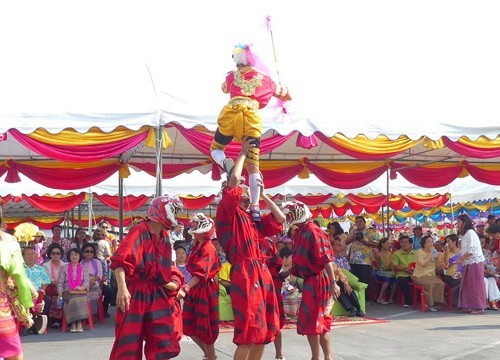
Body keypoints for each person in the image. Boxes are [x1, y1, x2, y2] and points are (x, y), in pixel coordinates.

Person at [215, 138, 284, 360]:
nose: (244, 186)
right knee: (248, 331)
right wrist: (243, 153)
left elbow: (280, 218)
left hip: (261, 271)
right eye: (241, 189)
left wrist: (262, 195)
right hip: (245, 272)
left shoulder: (251, 218)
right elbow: (235, 177)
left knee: (263, 332)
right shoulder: (227, 214)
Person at [210, 43, 292, 222]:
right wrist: (283, 93)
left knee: (215, 148)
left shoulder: (232, 76)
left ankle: (225, 162)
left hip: (231, 114)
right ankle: (255, 207)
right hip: (251, 118)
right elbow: (286, 94)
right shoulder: (266, 80)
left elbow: (223, 88)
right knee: (253, 166)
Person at [109, 194, 184, 360]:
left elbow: (165, 269)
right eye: (174, 211)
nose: (176, 216)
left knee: (162, 341)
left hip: (155, 292)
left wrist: (174, 283)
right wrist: (122, 289)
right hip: (136, 292)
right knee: (128, 342)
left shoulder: (165, 237)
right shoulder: (140, 230)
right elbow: (120, 261)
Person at [281, 200, 340, 360]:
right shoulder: (300, 232)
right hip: (310, 281)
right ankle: (325, 357)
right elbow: (300, 260)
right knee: (314, 320)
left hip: (320, 281)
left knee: (315, 320)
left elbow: (326, 259)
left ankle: (320, 357)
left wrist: (333, 283)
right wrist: (285, 274)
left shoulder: (313, 231)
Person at [177, 213, 221, 360]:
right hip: (196, 288)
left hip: (205, 289)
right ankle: (210, 355)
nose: (193, 230)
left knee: (205, 327)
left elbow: (201, 273)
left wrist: (185, 287)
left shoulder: (208, 247)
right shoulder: (196, 245)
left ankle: (211, 356)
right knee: (189, 326)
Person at [1, 226, 37, 360]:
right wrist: (27, 310)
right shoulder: (8, 242)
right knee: (14, 355)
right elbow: (20, 278)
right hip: (2, 312)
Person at [456, 214, 486, 314]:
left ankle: (478, 306)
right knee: (467, 284)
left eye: (459, 222)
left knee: (475, 285)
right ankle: (468, 305)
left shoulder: (470, 233)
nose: (457, 224)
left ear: (465, 223)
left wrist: (461, 259)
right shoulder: (465, 234)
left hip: (474, 261)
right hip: (468, 262)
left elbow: (472, 250)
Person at [346, 216, 379, 301]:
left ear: (364, 222)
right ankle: (356, 299)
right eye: (357, 221)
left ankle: (365, 299)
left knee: (364, 280)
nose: (359, 223)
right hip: (353, 260)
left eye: (361, 221)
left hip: (365, 261)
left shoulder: (370, 231)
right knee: (354, 280)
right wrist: (353, 237)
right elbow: (346, 242)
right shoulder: (354, 231)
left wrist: (363, 241)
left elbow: (376, 244)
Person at [57, 248, 90, 333]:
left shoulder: (84, 268)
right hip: (67, 291)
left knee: (80, 298)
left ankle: (78, 322)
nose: (74, 256)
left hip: (80, 291)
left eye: (76, 254)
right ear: (69, 256)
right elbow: (60, 283)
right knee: (73, 299)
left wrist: (81, 288)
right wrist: (60, 294)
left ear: (79, 256)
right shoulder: (64, 268)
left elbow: (87, 282)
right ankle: (73, 323)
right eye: (72, 254)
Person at [411, 235, 445, 312]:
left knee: (441, 283)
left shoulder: (434, 252)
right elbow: (423, 264)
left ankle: (436, 302)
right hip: (419, 276)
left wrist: (438, 260)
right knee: (430, 285)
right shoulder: (419, 252)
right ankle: (429, 303)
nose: (431, 243)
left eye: (431, 241)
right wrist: (431, 254)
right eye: (428, 242)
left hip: (431, 276)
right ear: (424, 244)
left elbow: (436, 266)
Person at [22, 246, 50, 335]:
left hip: (37, 293)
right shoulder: (20, 269)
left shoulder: (40, 269)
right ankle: (28, 324)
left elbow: (45, 283)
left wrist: (41, 293)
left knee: (46, 299)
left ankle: (36, 322)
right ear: (23, 256)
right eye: (27, 254)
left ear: (36, 256)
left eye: (32, 254)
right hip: (23, 293)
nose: (30, 256)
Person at [42, 243, 66, 328]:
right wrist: (54, 282)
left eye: (58, 253)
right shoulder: (45, 265)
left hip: (62, 286)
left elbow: (66, 279)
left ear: (61, 254)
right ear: (49, 254)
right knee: (53, 296)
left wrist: (59, 284)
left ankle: (58, 320)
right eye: (53, 253)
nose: (56, 255)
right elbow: (45, 278)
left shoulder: (65, 265)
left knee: (60, 294)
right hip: (50, 286)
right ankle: (54, 320)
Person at [392, 235, 416, 308]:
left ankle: (425, 301)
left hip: (415, 274)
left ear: (411, 244)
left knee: (423, 281)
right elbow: (395, 266)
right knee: (402, 281)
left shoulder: (416, 253)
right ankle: (409, 301)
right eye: (402, 242)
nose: (403, 244)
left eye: (406, 242)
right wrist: (406, 269)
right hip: (402, 274)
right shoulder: (396, 254)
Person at [79, 243, 103, 316]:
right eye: (87, 251)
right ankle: (80, 315)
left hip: (93, 281)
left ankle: (92, 314)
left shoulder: (97, 262)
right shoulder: (80, 263)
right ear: (83, 252)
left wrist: (92, 280)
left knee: (93, 291)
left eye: (91, 251)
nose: (89, 253)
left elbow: (99, 275)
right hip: (82, 282)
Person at [441, 234, 462, 308]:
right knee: (459, 282)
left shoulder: (462, 252)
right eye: (446, 241)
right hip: (450, 275)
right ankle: (458, 303)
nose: (447, 243)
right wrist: (446, 251)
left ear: (454, 242)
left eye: (448, 241)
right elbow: (446, 265)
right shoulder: (446, 253)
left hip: (461, 274)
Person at [375, 238, 396, 305]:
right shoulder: (378, 253)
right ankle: (380, 298)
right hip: (379, 272)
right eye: (387, 243)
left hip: (388, 272)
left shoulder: (390, 254)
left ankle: (391, 298)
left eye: (389, 243)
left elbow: (391, 266)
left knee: (396, 279)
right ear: (382, 244)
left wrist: (393, 272)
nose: (389, 245)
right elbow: (377, 266)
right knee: (387, 280)